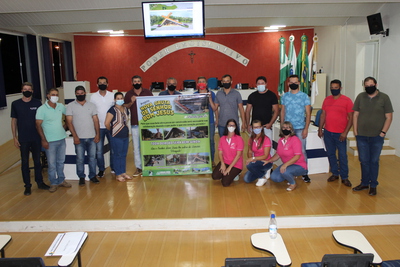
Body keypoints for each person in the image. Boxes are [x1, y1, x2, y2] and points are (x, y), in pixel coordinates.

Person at [352, 77, 393, 196]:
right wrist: (355, 131)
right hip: (362, 135)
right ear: (364, 86)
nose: (369, 87)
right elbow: (355, 115)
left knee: (374, 161)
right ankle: (364, 183)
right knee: (364, 160)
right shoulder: (360, 97)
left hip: (377, 136)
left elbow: (389, 117)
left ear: (376, 84)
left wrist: (383, 133)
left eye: (371, 84)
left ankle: (373, 185)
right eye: (366, 85)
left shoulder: (384, 98)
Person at [11, 82, 50, 196]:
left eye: (29, 89)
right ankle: (27, 186)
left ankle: (40, 182)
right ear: (22, 90)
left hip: (36, 137)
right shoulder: (16, 104)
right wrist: (14, 137)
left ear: (32, 91)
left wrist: (44, 136)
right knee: (25, 163)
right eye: (25, 89)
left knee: (37, 162)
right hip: (23, 138)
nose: (27, 91)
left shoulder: (37, 103)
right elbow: (14, 121)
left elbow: (42, 120)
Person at [318, 79, 353, 187]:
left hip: (340, 134)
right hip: (328, 132)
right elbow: (323, 115)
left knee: (342, 156)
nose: (334, 90)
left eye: (336, 88)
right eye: (332, 88)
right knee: (331, 154)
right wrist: (320, 129)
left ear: (340, 88)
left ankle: (345, 177)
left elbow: (351, 118)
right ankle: (335, 173)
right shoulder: (327, 100)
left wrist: (345, 133)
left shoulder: (347, 101)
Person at [36, 88, 71, 193]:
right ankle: (53, 183)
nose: (55, 96)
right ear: (48, 95)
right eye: (52, 94)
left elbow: (69, 116)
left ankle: (61, 180)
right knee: (51, 164)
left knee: (60, 161)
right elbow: (38, 125)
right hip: (49, 141)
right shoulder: (42, 109)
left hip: (61, 139)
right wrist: (43, 140)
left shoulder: (60, 106)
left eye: (56, 94)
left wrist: (65, 127)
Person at [66, 85, 100, 186]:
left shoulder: (92, 105)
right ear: (75, 94)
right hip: (79, 138)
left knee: (92, 158)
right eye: (78, 93)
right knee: (80, 158)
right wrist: (75, 136)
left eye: (82, 93)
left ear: (85, 93)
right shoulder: (70, 106)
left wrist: (97, 134)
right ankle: (81, 177)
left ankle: (92, 176)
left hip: (92, 137)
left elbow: (96, 120)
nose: (80, 95)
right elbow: (69, 122)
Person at [280, 74, 311, 182]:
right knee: (287, 151)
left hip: (300, 128)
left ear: (299, 83)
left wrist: (306, 128)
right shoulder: (285, 96)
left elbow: (308, 113)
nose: (293, 84)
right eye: (291, 82)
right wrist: (282, 127)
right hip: (288, 129)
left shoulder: (304, 96)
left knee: (301, 151)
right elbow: (282, 111)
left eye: (295, 82)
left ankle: (305, 173)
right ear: (288, 84)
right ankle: (288, 171)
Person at [263, 121, 307, 191]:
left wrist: (285, 165)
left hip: (299, 165)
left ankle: (293, 183)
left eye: (288, 128)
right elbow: (278, 154)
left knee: (285, 172)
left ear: (291, 129)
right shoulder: (281, 140)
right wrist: (269, 161)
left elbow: (297, 156)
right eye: (283, 127)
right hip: (288, 165)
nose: (285, 129)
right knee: (275, 178)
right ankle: (290, 175)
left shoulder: (295, 140)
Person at [124, 75, 153, 176]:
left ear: (141, 82)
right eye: (135, 81)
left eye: (138, 81)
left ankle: (149, 165)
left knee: (148, 145)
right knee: (136, 147)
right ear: (132, 83)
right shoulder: (129, 94)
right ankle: (139, 167)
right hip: (135, 124)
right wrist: (131, 101)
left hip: (147, 124)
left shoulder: (148, 92)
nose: (137, 83)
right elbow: (125, 106)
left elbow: (153, 104)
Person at [90, 76, 115, 177]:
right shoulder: (93, 97)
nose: (102, 84)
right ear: (97, 85)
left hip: (111, 126)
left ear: (107, 84)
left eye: (104, 82)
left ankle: (113, 167)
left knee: (113, 148)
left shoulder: (112, 95)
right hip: (98, 127)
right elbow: (91, 112)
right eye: (100, 83)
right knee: (99, 150)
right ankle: (101, 169)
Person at [105, 92, 131, 182]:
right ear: (114, 100)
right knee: (117, 155)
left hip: (125, 135)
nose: (120, 100)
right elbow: (107, 123)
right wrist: (112, 131)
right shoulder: (112, 110)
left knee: (124, 155)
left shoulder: (126, 109)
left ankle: (123, 172)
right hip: (116, 136)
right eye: (118, 98)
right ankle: (118, 174)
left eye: (121, 98)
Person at [245, 76, 279, 142]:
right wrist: (248, 125)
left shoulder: (272, 95)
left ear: (266, 84)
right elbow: (247, 111)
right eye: (259, 83)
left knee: (268, 147)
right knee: (254, 147)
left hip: (267, 127)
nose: (260, 85)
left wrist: (270, 124)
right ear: (256, 85)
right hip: (254, 127)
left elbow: (276, 111)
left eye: (262, 83)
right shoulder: (252, 96)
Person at [194, 76, 218, 166]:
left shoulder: (211, 93)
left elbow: (215, 108)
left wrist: (210, 98)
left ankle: (211, 160)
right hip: (199, 122)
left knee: (211, 141)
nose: (201, 83)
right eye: (199, 81)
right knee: (200, 141)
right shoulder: (194, 94)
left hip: (210, 121)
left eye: (203, 81)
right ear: (197, 84)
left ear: (206, 84)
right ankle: (202, 159)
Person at [212, 119, 244, 187]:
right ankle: (228, 174)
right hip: (225, 162)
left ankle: (235, 174)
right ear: (227, 126)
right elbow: (220, 153)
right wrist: (222, 164)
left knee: (225, 183)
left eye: (233, 125)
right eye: (230, 125)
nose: (231, 127)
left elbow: (238, 155)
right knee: (215, 176)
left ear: (236, 127)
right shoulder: (222, 138)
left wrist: (229, 168)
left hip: (236, 164)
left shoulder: (239, 139)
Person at [243, 120, 273, 186]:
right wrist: (251, 158)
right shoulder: (251, 139)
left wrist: (253, 159)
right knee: (246, 179)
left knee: (249, 165)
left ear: (262, 127)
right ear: (252, 128)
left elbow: (265, 156)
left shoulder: (266, 139)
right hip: (257, 162)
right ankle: (262, 173)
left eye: (258, 127)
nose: (257, 129)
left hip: (266, 162)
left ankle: (262, 176)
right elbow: (249, 152)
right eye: (255, 127)